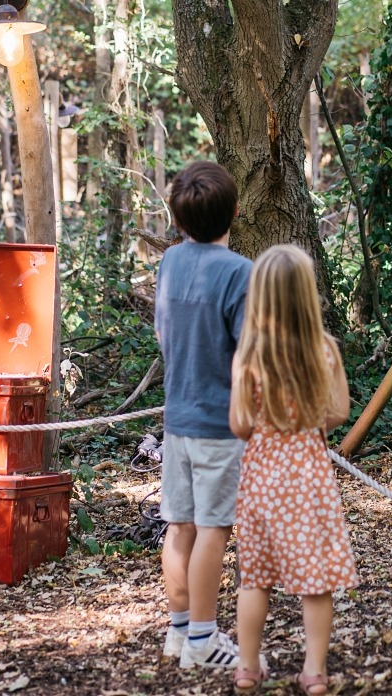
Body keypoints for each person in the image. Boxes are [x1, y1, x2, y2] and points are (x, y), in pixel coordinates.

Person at [228, 245, 357, 696]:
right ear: (307, 295)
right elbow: (339, 412)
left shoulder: (249, 354)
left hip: (261, 479)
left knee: (255, 578)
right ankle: (315, 672)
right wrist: (306, 422)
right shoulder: (324, 350)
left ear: (259, 297)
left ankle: (246, 669)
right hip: (308, 478)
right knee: (315, 581)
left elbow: (239, 424)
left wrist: (269, 424)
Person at [154, 161, 251, 670]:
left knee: (181, 525)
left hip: (178, 419)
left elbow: (162, 333)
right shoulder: (241, 272)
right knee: (214, 528)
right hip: (220, 422)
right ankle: (202, 638)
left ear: (177, 218)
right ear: (236, 211)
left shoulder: (168, 263)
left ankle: (178, 632)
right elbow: (248, 353)